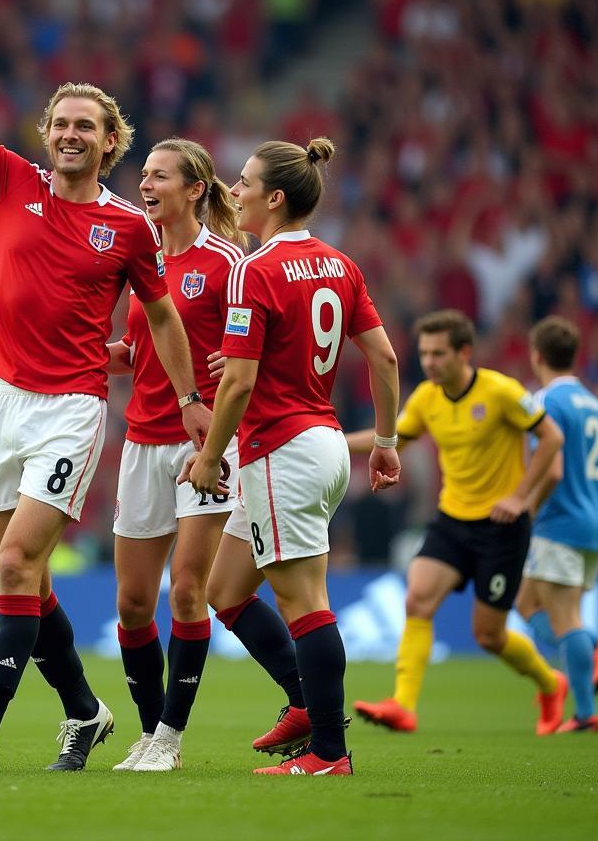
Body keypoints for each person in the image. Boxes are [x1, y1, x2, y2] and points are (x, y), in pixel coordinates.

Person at [0, 0, 211, 774]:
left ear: (112, 143)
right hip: (1, 402)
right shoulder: (11, 181)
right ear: (45, 135)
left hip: (71, 408)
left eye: (89, 127)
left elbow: (164, 317)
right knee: (28, 586)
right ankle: (85, 711)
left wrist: (187, 399)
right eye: (63, 124)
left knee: (14, 565)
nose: (73, 135)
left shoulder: (129, 226)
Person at [181, 137, 402, 777]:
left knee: (304, 600)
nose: (234, 189)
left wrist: (207, 457)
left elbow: (241, 383)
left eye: (245, 182)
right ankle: (307, 702)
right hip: (322, 443)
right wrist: (383, 444)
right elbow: (384, 358)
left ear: (274, 198)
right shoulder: (339, 265)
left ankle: (330, 753)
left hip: (279, 448)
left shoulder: (256, 269)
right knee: (224, 590)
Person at [351, 309, 567, 735]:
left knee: (489, 636)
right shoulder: (427, 399)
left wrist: (521, 497)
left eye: (438, 354)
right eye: (425, 354)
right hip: (452, 520)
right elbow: (392, 436)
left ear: (464, 352)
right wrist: (331, 442)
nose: (429, 363)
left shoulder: (501, 391)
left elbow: (552, 438)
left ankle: (550, 682)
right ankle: (403, 705)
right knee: (418, 600)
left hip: (501, 528)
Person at [105, 138, 244, 772]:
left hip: (204, 443)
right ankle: (148, 731)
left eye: (159, 176)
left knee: (187, 588)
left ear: (194, 190)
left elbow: (259, 348)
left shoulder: (227, 262)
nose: (145, 184)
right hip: (141, 439)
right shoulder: (140, 256)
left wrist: (236, 374)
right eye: (143, 175)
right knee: (133, 604)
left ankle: (171, 736)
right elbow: (140, 350)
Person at [514, 316, 598, 733]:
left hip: (559, 523)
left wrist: (528, 510)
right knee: (526, 603)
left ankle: (585, 711)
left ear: (537, 354)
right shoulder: (594, 402)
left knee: (566, 621)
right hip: (595, 525)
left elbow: (553, 470)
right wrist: (597, 509)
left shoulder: (545, 402)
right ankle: (587, 647)